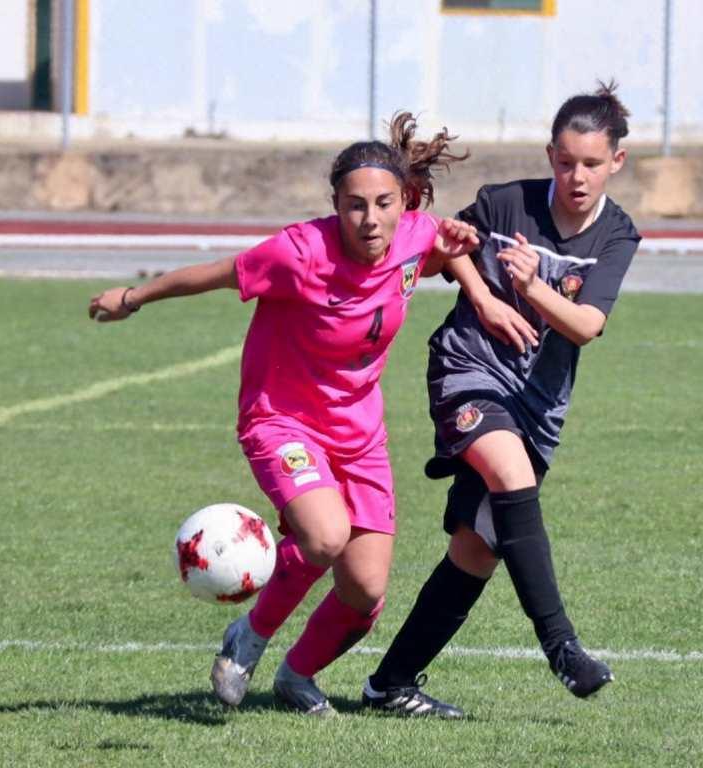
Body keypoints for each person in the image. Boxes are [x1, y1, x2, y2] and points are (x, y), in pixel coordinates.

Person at [88, 113, 480, 716]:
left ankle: (297, 676)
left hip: (362, 433)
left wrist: (475, 284)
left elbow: (436, 251)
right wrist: (133, 298)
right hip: (282, 420)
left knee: (367, 592)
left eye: (382, 203)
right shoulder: (298, 252)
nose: (369, 219)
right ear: (335, 204)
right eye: (354, 206)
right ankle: (249, 638)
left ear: (402, 201)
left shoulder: (415, 234)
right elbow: (214, 276)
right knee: (324, 536)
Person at [361, 82, 641, 718]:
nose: (577, 176)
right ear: (550, 155)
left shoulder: (617, 236)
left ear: (616, 163)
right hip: (470, 372)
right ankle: (562, 647)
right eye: (566, 161)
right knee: (511, 477)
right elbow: (435, 251)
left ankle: (390, 684)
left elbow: (586, 326)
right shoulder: (506, 204)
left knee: (478, 549)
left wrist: (530, 287)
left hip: (538, 407)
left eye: (592, 164)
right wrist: (482, 295)